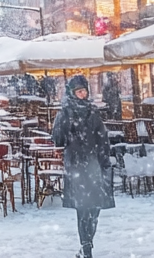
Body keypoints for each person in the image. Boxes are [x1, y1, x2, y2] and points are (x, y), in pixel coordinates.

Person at [51, 75, 114, 258]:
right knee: (83, 208)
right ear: (72, 93)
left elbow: (102, 138)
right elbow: (58, 140)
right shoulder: (65, 113)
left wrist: (104, 161)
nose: (82, 94)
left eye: (84, 90)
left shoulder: (92, 112)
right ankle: (86, 247)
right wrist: (62, 122)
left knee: (95, 207)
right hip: (77, 166)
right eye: (79, 91)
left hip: (93, 165)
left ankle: (87, 243)